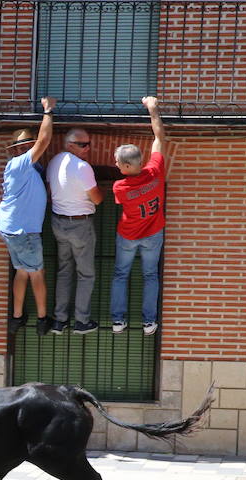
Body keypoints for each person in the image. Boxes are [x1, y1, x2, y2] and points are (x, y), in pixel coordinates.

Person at [0, 97, 56, 337]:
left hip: (12, 229)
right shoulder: (20, 164)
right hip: (24, 232)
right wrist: (48, 111)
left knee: (21, 271)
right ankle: (42, 319)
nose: (27, 149)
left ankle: (17, 317)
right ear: (19, 149)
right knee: (36, 273)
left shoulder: (21, 167)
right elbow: (44, 141)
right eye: (25, 146)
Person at [111, 96, 167, 336]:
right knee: (150, 275)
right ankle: (149, 322)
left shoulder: (120, 187)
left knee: (121, 274)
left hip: (128, 236)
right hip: (153, 234)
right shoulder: (155, 170)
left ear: (125, 166)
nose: (115, 165)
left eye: (117, 163)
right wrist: (153, 110)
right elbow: (159, 139)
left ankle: (118, 320)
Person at [46, 127, 103, 335]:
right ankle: (81, 321)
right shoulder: (83, 167)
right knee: (86, 274)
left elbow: (50, 193)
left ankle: (59, 321)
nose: (87, 148)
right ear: (70, 144)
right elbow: (97, 199)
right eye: (82, 144)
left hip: (58, 222)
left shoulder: (53, 162)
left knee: (64, 271)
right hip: (80, 225)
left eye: (88, 143)